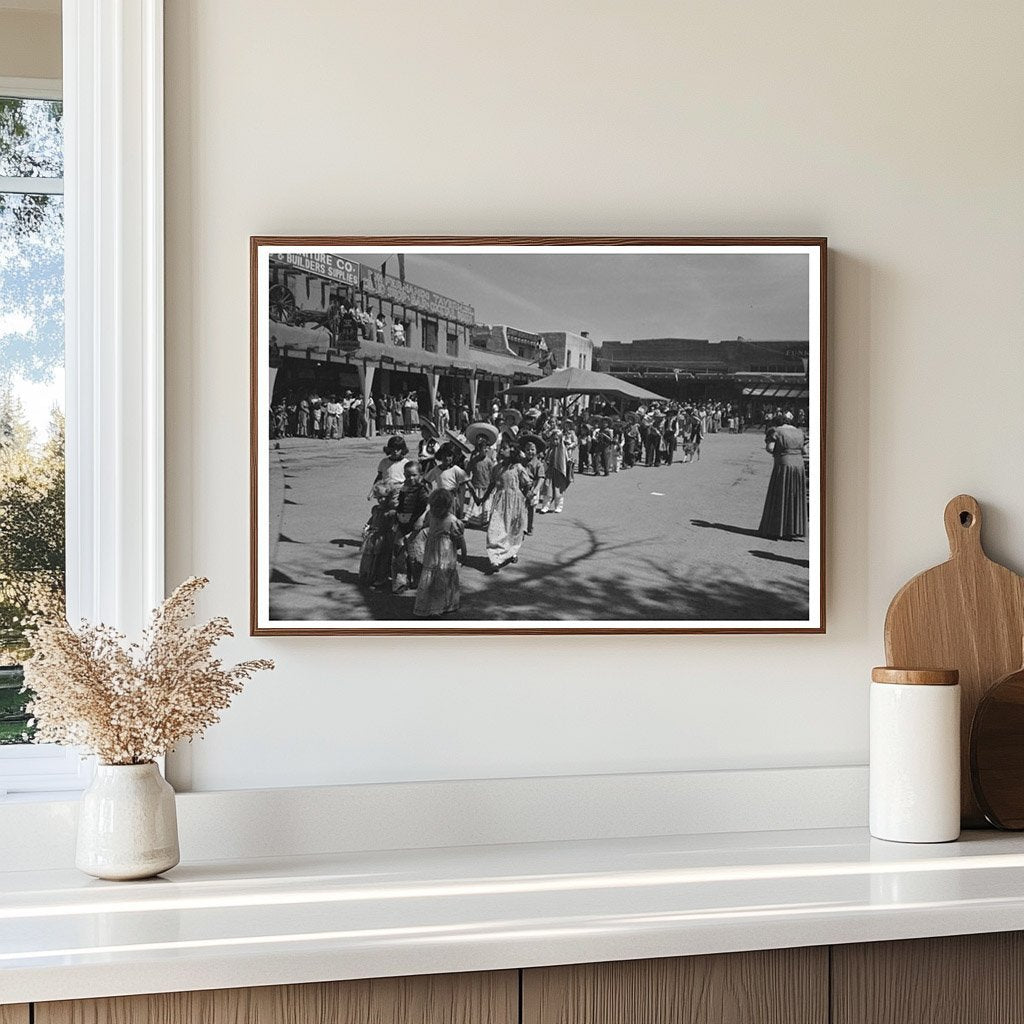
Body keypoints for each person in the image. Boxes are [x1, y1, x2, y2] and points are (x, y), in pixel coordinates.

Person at [480, 438, 532, 571]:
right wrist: (483, 498)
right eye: (500, 448)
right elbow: (492, 484)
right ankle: (495, 558)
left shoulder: (517, 467)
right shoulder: (497, 468)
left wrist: (526, 496)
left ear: (512, 450)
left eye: (504, 448)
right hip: (500, 503)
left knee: (512, 530)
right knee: (495, 529)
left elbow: (527, 483)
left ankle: (511, 552)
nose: (501, 450)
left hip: (516, 502)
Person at [413, 488, 463, 617]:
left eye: (438, 507)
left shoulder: (452, 520)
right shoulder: (432, 516)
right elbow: (427, 528)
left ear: (447, 507)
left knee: (444, 576)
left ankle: (443, 605)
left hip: (446, 555)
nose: (435, 510)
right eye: (433, 506)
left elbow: (460, 538)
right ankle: (429, 605)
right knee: (431, 578)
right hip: (432, 554)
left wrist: (464, 553)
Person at [758, 413, 808, 540]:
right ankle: (794, 529)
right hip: (799, 465)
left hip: (784, 463)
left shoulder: (776, 431)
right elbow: (805, 451)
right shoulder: (799, 432)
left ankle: (777, 528)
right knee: (795, 495)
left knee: (781, 494)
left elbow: (770, 448)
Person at [391, 460, 430, 592]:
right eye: (408, 476)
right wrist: (396, 518)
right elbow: (401, 505)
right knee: (399, 553)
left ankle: (419, 581)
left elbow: (426, 505)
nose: (411, 478)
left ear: (421, 475)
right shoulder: (404, 488)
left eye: (414, 475)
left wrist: (421, 519)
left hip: (415, 526)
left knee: (415, 555)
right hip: (402, 523)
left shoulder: (422, 489)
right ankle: (400, 582)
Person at [359, 482, 399, 588]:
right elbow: (373, 519)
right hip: (374, 536)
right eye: (379, 497)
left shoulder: (391, 511)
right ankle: (369, 575)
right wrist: (368, 526)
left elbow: (394, 523)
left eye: (384, 497)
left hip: (384, 536)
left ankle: (381, 577)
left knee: (382, 558)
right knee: (370, 557)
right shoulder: (376, 509)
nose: (381, 500)